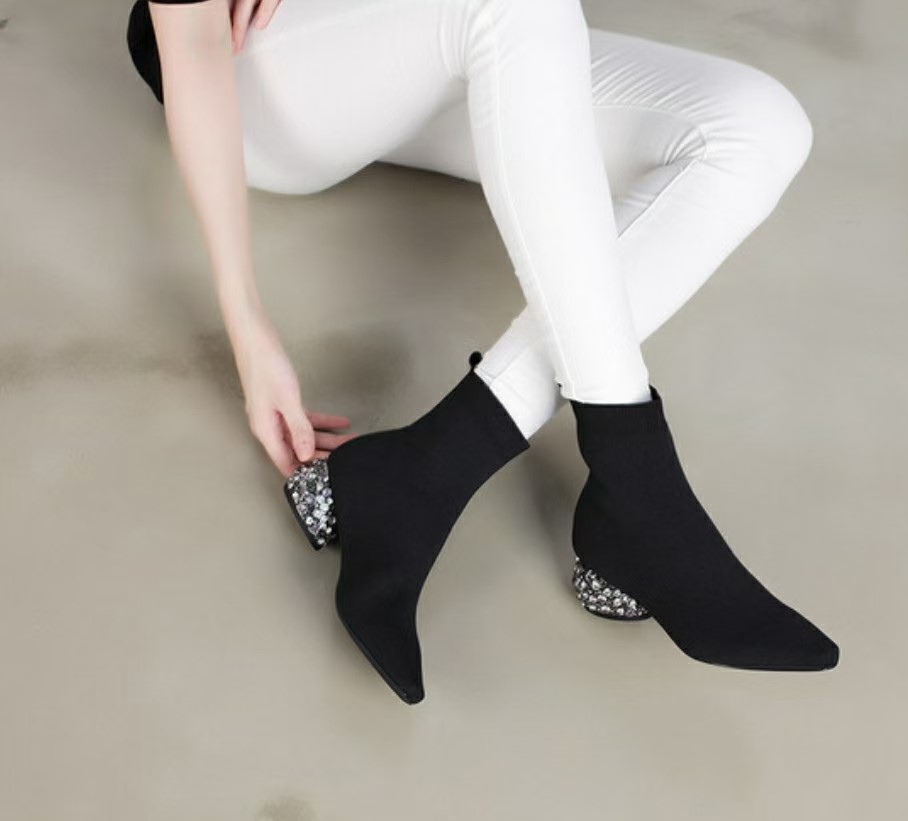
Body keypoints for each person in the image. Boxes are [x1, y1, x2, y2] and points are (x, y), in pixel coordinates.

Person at [128, 0, 839, 704]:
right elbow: (191, 40)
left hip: (426, 42)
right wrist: (247, 325)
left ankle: (426, 468)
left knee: (757, 126)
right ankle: (637, 484)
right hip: (264, 76)